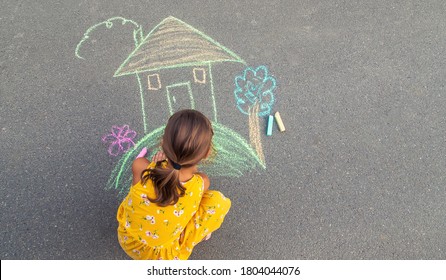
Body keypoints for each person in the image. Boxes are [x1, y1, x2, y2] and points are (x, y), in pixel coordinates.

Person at [116, 109, 231, 260]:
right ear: (207, 153)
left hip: (129, 241)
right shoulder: (200, 183)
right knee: (217, 202)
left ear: (163, 143)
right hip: (164, 258)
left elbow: (138, 189)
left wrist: (155, 166)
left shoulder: (141, 167)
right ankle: (200, 234)